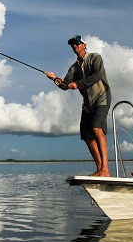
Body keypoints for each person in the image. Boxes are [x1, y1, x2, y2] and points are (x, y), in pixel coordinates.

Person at [45, 35, 112, 177]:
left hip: (102, 97)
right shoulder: (74, 68)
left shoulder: (95, 58)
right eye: (72, 45)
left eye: (77, 44)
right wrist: (54, 79)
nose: (74, 46)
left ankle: (105, 169)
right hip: (87, 103)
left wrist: (78, 84)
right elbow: (65, 85)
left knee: (96, 127)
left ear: (84, 45)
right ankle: (100, 169)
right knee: (87, 136)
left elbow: (98, 75)